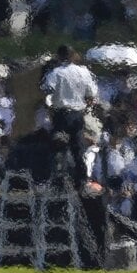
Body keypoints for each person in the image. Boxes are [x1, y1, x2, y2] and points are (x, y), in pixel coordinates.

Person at [42, 45, 97, 186]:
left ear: (59, 56)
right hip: (78, 115)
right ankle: (82, 181)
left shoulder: (56, 73)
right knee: (78, 149)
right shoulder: (84, 72)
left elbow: (46, 90)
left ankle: (53, 179)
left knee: (55, 147)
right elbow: (91, 94)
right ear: (72, 56)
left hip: (61, 114)